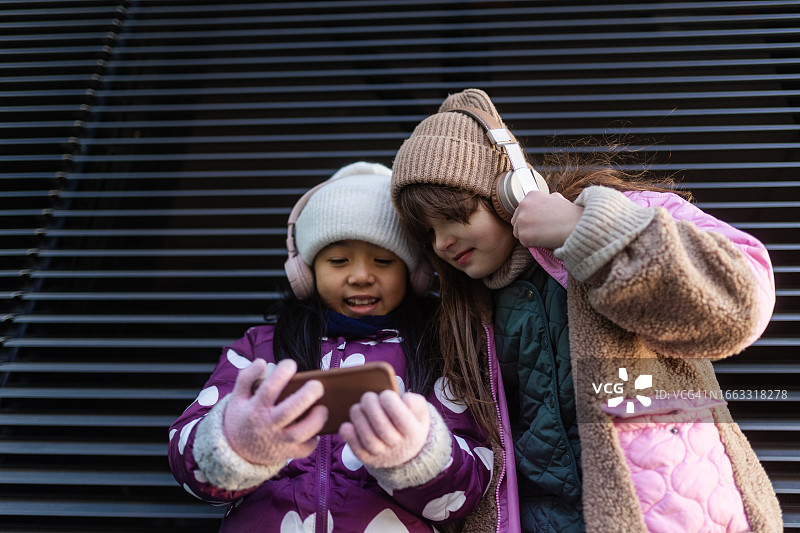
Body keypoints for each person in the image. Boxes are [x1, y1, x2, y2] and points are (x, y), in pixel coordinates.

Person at [390, 89, 782, 532]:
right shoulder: (465, 317)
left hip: (670, 515)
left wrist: (589, 232)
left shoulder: (621, 214)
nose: (442, 242)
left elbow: (742, 299)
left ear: (508, 193)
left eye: (454, 216)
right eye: (429, 232)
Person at [168, 161, 502, 533]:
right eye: (338, 260)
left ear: (416, 274)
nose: (361, 276)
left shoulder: (439, 350)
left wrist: (416, 457)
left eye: (383, 260)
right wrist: (236, 444)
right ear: (306, 272)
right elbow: (190, 470)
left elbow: (469, 491)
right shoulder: (259, 347)